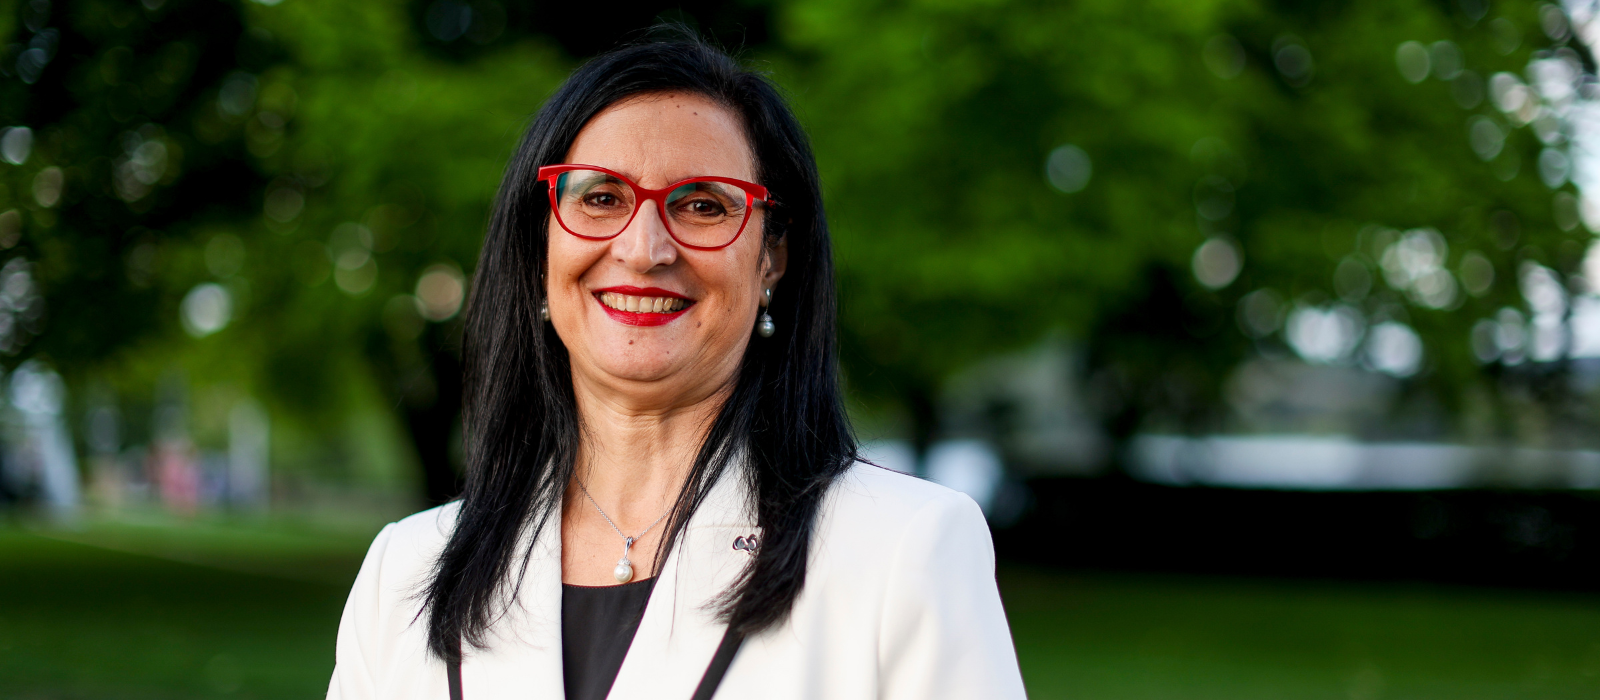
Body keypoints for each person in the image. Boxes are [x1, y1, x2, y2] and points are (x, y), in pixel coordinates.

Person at [327, 36, 1026, 700]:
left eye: (701, 205)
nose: (643, 247)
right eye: (601, 198)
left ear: (772, 258)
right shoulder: (407, 570)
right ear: (539, 246)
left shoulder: (903, 549)